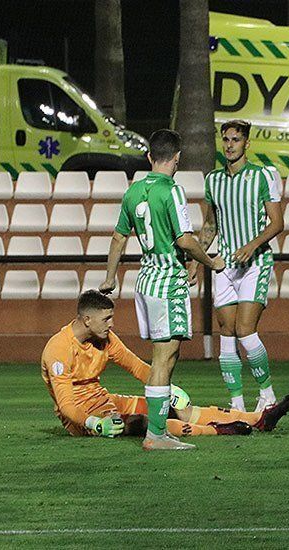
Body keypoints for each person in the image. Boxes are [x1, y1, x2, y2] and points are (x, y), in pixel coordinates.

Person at [99, 129, 226, 451]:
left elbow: (118, 237)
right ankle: (155, 435)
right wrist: (210, 263)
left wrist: (110, 277)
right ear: (178, 158)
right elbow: (184, 239)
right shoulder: (172, 191)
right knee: (163, 359)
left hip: (145, 280)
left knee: (164, 358)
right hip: (167, 281)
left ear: (149, 157)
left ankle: (158, 432)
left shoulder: (133, 191)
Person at [40, 291, 289, 439]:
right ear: (86, 320)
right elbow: (67, 405)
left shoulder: (105, 339)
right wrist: (94, 423)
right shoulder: (58, 350)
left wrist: (168, 389)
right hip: (83, 418)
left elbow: (137, 367)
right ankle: (218, 431)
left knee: (164, 407)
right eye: (106, 319)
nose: (111, 324)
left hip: (106, 399)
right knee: (139, 422)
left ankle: (259, 418)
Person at [192, 120, 284, 412]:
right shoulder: (213, 181)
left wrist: (252, 245)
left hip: (255, 262)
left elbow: (278, 223)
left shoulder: (262, 176)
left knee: (245, 329)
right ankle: (236, 403)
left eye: (236, 139)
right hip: (225, 264)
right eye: (226, 140)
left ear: (247, 143)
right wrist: (198, 260)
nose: (230, 145)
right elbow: (210, 225)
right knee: (227, 330)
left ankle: (267, 394)